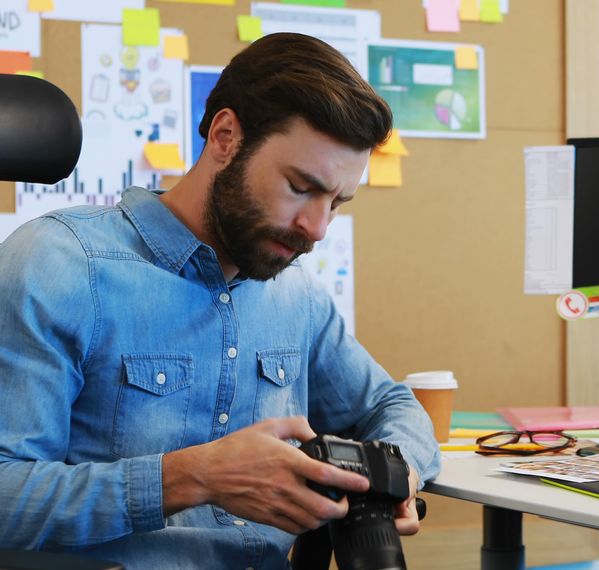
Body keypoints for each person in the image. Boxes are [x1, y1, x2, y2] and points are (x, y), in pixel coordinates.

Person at [0, 33, 440, 568]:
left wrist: (400, 475)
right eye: (301, 187)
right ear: (226, 137)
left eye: (336, 202)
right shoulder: (60, 266)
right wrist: (194, 476)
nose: (317, 228)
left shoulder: (293, 294)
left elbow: (393, 407)